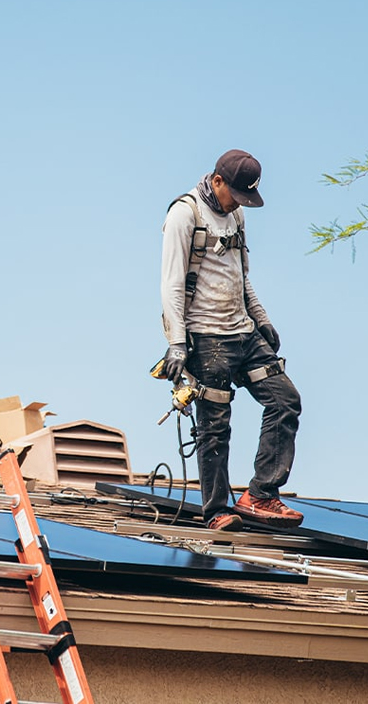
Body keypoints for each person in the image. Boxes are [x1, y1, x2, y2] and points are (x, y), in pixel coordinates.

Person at [160, 149, 303, 531]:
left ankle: (260, 494)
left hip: (243, 330)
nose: (238, 204)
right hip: (207, 337)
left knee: (285, 400)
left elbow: (242, 275)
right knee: (215, 424)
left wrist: (261, 319)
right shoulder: (184, 214)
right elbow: (172, 285)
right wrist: (177, 342)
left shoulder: (236, 213)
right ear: (217, 181)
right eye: (235, 195)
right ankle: (216, 511)